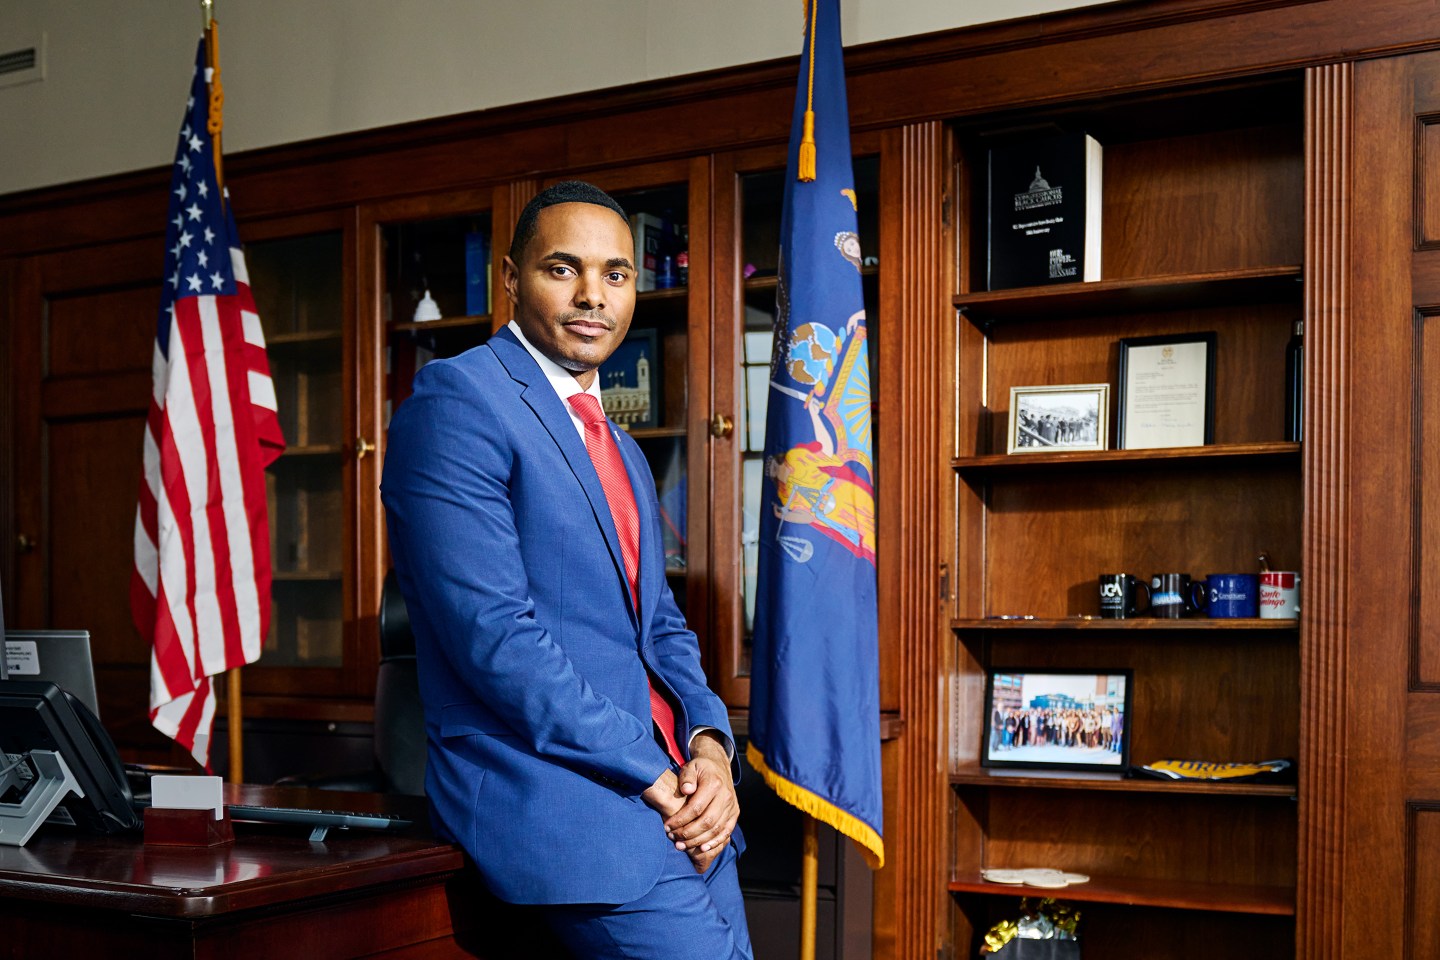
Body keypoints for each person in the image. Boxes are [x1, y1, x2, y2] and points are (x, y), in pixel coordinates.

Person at [382, 181, 752, 959]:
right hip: (568, 806)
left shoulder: (617, 445)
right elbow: (495, 638)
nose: (593, 296)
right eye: (563, 269)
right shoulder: (459, 401)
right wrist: (654, 772)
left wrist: (712, 746)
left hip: (678, 803)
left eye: (616, 274)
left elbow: (659, 627)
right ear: (511, 279)